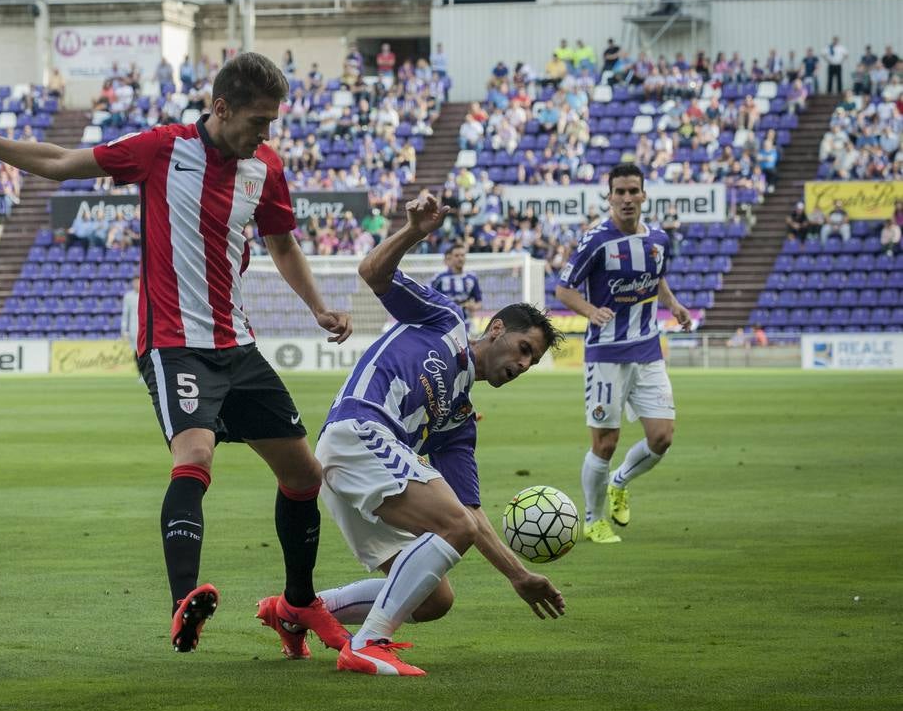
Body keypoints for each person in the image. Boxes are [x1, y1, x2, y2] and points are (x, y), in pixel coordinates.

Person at [0, 52, 355, 654]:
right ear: (220, 108)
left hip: (238, 344)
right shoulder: (161, 148)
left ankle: (297, 605)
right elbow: (60, 162)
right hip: (175, 345)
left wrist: (317, 307)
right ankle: (184, 601)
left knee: (304, 476)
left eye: (273, 121)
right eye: (259, 120)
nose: (267, 133)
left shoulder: (266, 167)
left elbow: (281, 244)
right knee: (195, 454)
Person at [266, 191, 564, 676]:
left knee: (433, 599)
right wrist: (412, 232)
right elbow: (372, 273)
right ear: (496, 329)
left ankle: (295, 611)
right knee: (454, 530)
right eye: (524, 348)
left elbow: (471, 515)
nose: (523, 364)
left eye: (531, 362)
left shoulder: (459, 419)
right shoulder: (443, 320)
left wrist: (519, 575)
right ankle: (367, 643)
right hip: (358, 429)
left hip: (362, 462)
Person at [554, 163, 692, 545]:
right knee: (606, 443)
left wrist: (675, 306)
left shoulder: (660, 239)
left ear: (644, 195)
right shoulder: (596, 240)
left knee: (662, 437)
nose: (628, 198)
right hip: (606, 356)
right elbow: (563, 289)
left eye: (634, 191)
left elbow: (657, 279)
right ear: (609, 196)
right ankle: (594, 519)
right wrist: (589, 311)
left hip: (648, 350)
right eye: (621, 192)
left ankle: (620, 482)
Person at [428, 241, 483, 323]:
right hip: (444, 321)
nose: (460, 258)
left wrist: (474, 307)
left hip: (465, 321)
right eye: (457, 256)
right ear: (450, 258)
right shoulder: (439, 278)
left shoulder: (472, 278)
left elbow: (479, 302)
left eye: (462, 255)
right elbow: (428, 297)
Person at [120, 277, 140, 352]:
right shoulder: (128, 296)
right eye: (135, 282)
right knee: (135, 351)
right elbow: (125, 315)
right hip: (133, 329)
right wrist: (124, 330)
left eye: (138, 282)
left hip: (144, 329)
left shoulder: (145, 294)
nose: (136, 284)